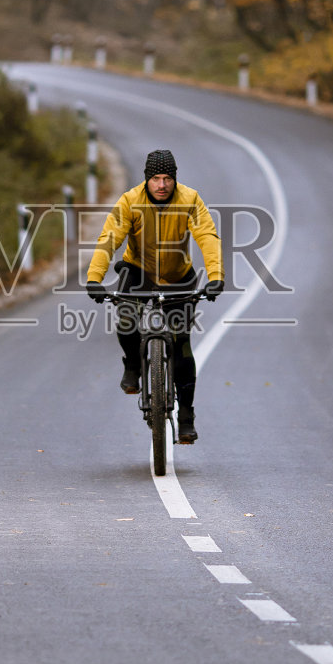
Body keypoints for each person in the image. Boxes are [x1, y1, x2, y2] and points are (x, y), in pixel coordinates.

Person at [86, 148, 223, 444]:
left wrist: (215, 277)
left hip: (177, 277)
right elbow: (109, 238)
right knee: (125, 320)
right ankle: (134, 364)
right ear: (146, 180)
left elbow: (207, 238)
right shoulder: (130, 201)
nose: (162, 185)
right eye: (156, 179)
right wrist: (94, 278)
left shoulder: (190, 200)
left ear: (175, 180)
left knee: (181, 343)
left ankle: (186, 415)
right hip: (138, 272)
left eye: (167, 179)